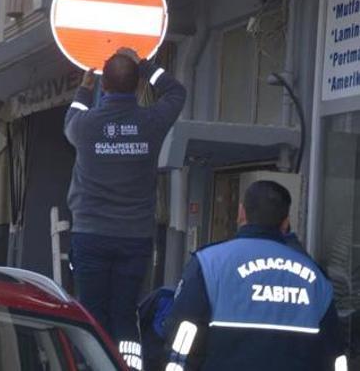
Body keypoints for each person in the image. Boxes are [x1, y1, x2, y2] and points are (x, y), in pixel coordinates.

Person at [64, 47, 186, 370]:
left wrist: (83, 87)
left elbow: (71, 117)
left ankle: (90, 365)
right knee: (125, 313)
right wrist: (146, 65)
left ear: (104, 87)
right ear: (136, 86)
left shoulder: (85, 126)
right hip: (135, 238)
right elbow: (176, 92)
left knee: (90, 310)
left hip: (90, 235)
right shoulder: (151, 122)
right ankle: (128, 367)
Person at [164, 181, 346, 370]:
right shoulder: (316, 277)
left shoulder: (210, 264)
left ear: (241, 213)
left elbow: (181, 336)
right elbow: (333, 353)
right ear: (285, 222)